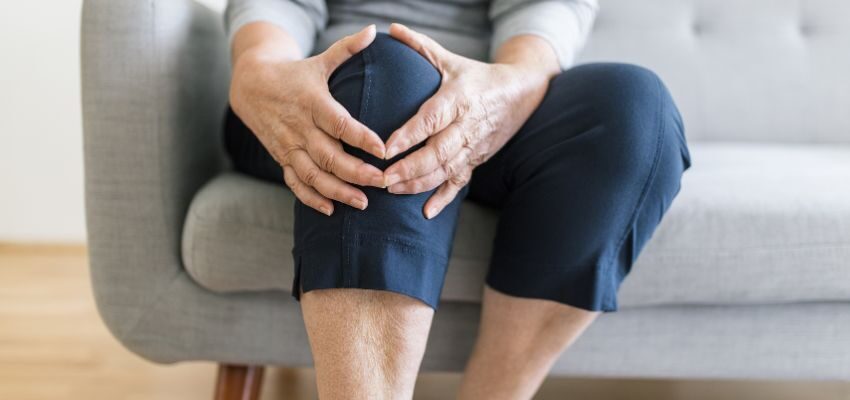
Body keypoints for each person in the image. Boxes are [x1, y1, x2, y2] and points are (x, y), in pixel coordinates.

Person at [223, 0, 691, 398]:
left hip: (490, 93)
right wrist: (259, 68)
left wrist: (509, 83)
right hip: (325, 102)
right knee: (391, 70)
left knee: (632, 108)